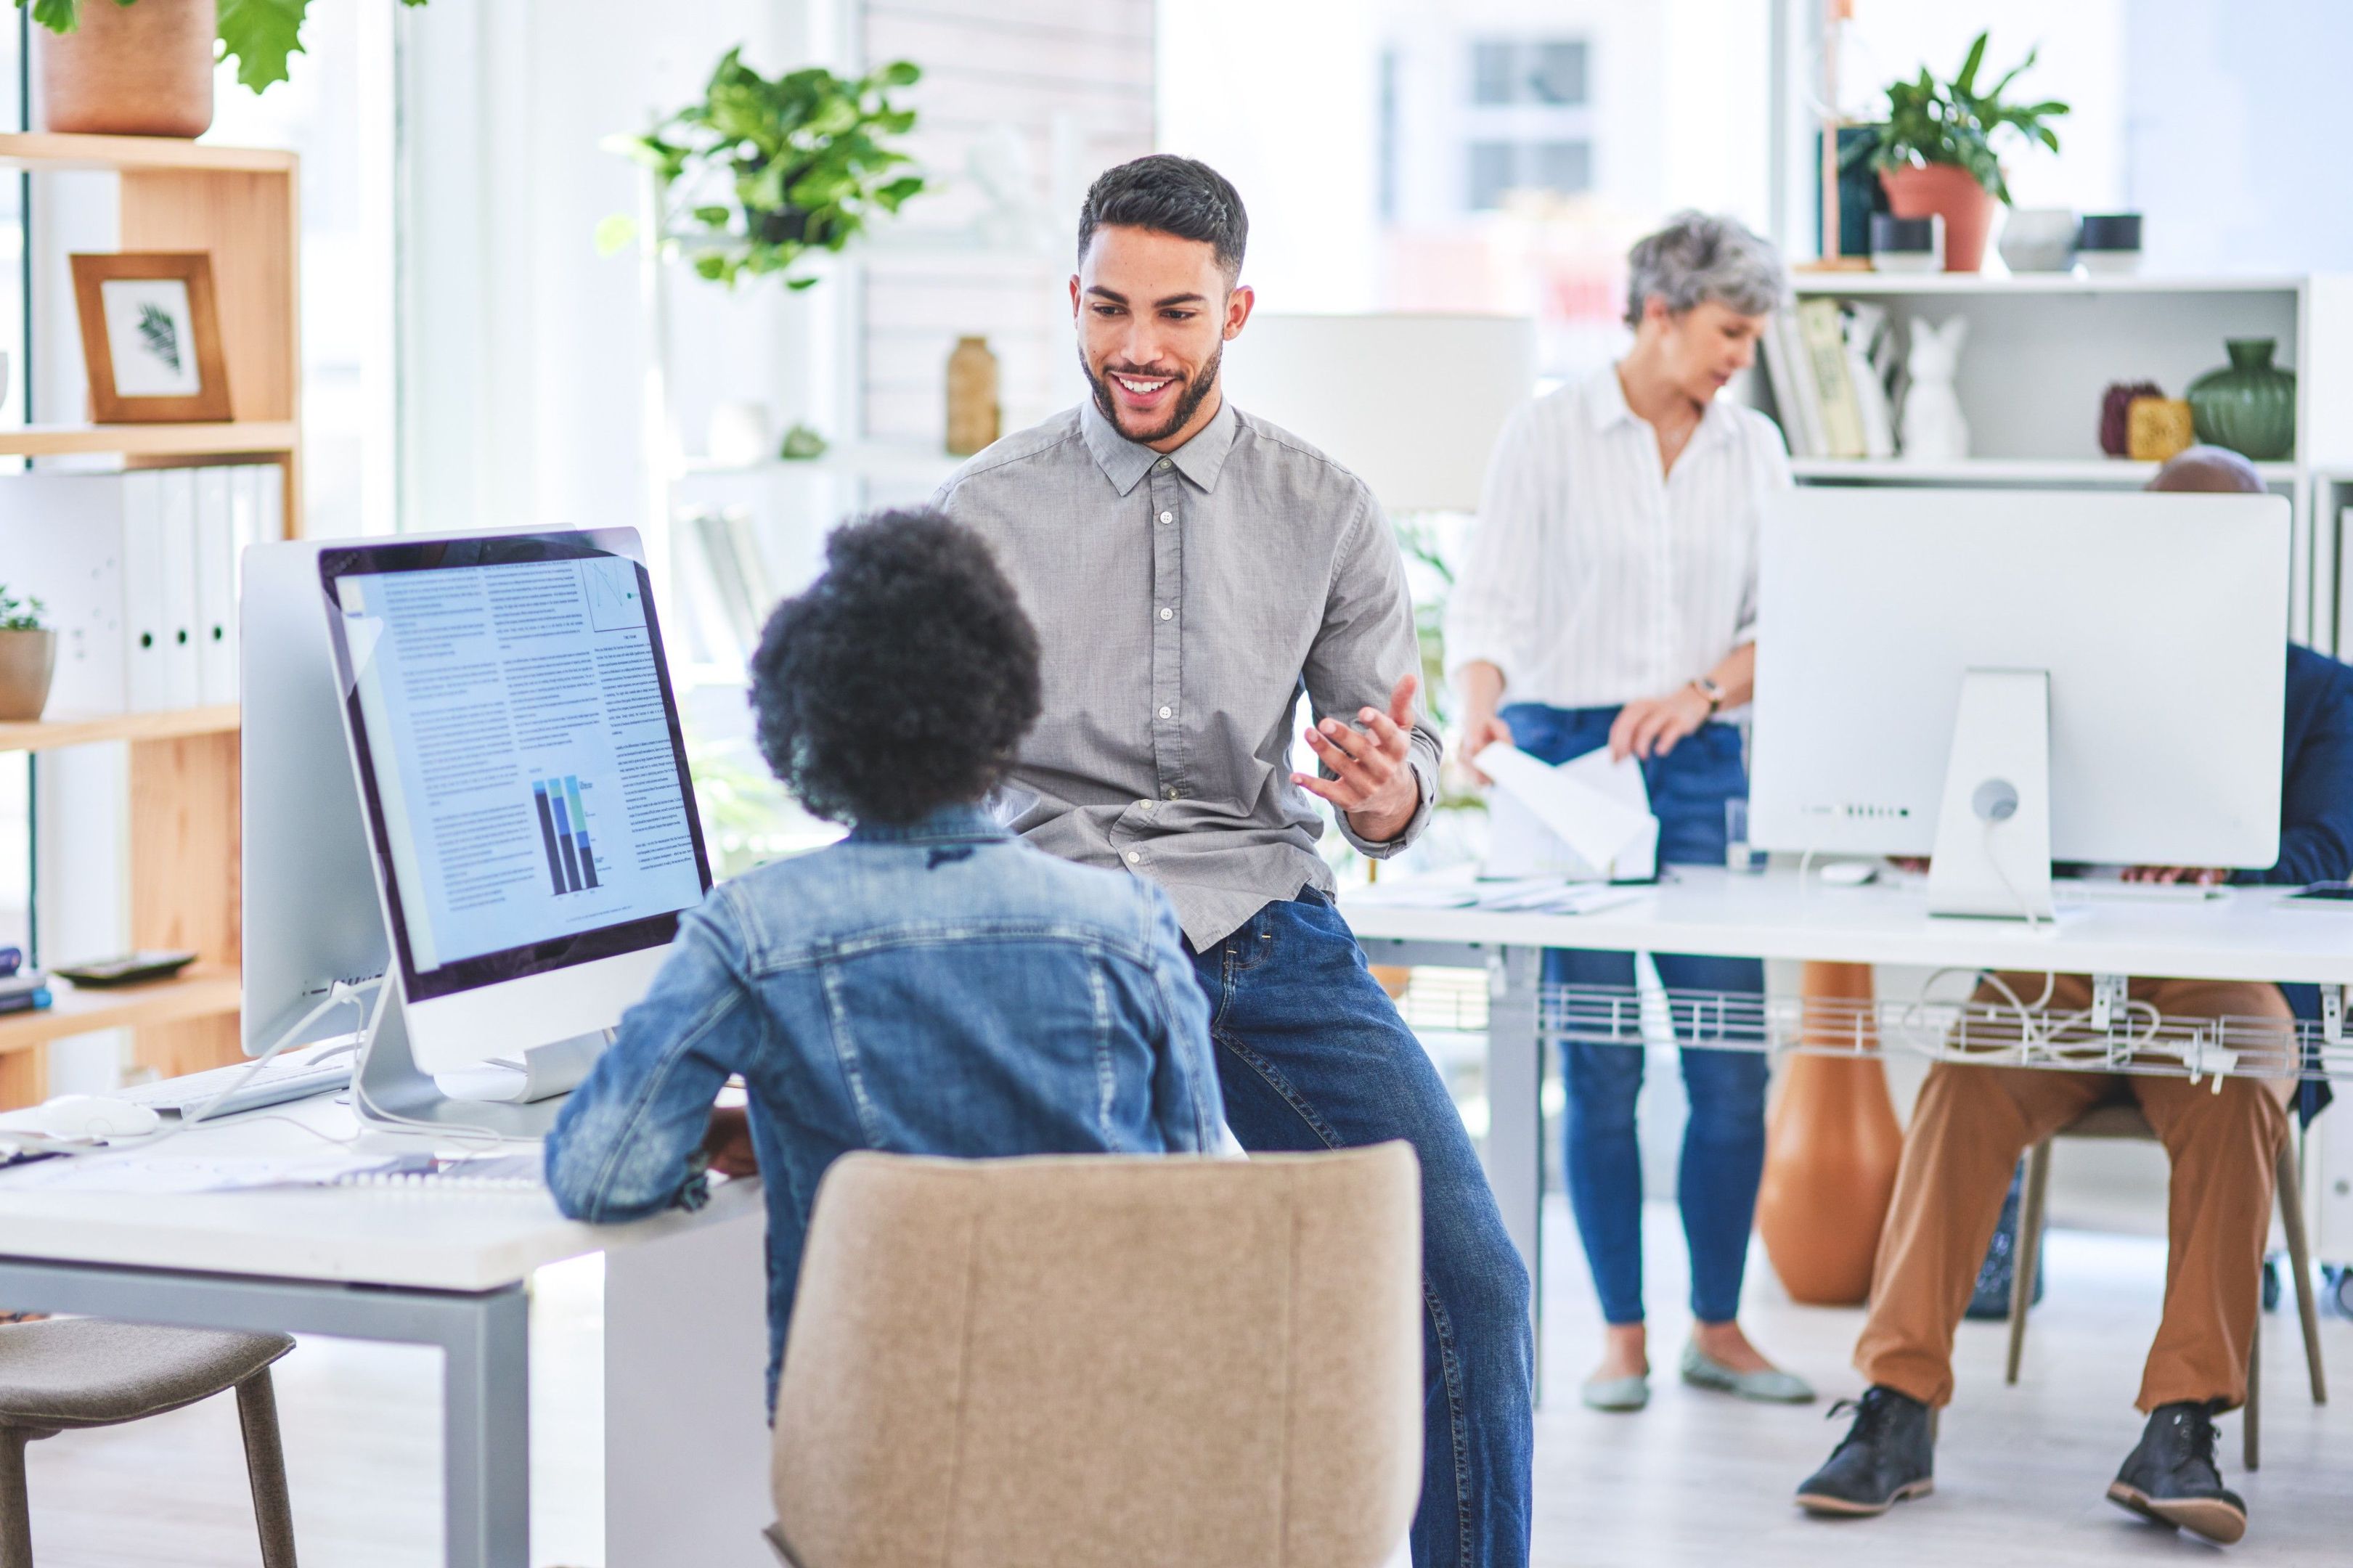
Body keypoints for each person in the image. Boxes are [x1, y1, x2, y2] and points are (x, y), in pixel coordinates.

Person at [932, 155, 1532, 1568]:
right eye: (1108, 307)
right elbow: (928, 779)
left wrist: (1385, 794)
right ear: (1069, 300)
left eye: (1177, 314)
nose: (1137, 347)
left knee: (1473, 1285)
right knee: (1110, 1327)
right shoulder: (978, 513)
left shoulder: (1324, 507)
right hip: (1057, 943)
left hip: (1262, 939)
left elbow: (1398, 771)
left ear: (1236, 311)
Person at [544, 510, 1228, 1410]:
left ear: (807, 718)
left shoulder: (754, 930)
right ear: (1006, 706)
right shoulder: (1129, 926)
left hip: (872, 1465)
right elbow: (1202, 1208)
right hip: (1104, 1453)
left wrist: (777, 1137)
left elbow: (601, 1173)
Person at [1795, 445, 2353, 1545]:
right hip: (2062, 973)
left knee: (2242, 1080)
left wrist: (2217, 862)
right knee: (1962, 1075)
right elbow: (2001, 817)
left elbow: (2333, 848)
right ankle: (1896, 1409)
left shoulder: (2321, 690)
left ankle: (2178, 1424)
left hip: (2218, 981)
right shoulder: (2064, 669)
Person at [1446, 211, 1810, 1413]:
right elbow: (1489, 608)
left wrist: (1700, 691)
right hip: (1567, 764)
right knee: (1597, 1072)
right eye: (1726, 331)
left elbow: (1789, 619)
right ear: (1659, 312)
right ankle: (1619, 1335)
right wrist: (1479, 714)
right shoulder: (1547, 432)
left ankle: (1717, 1322)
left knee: (1726, 1063)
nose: (1737, 358)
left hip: (1698, 766)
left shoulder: (1752, 449)